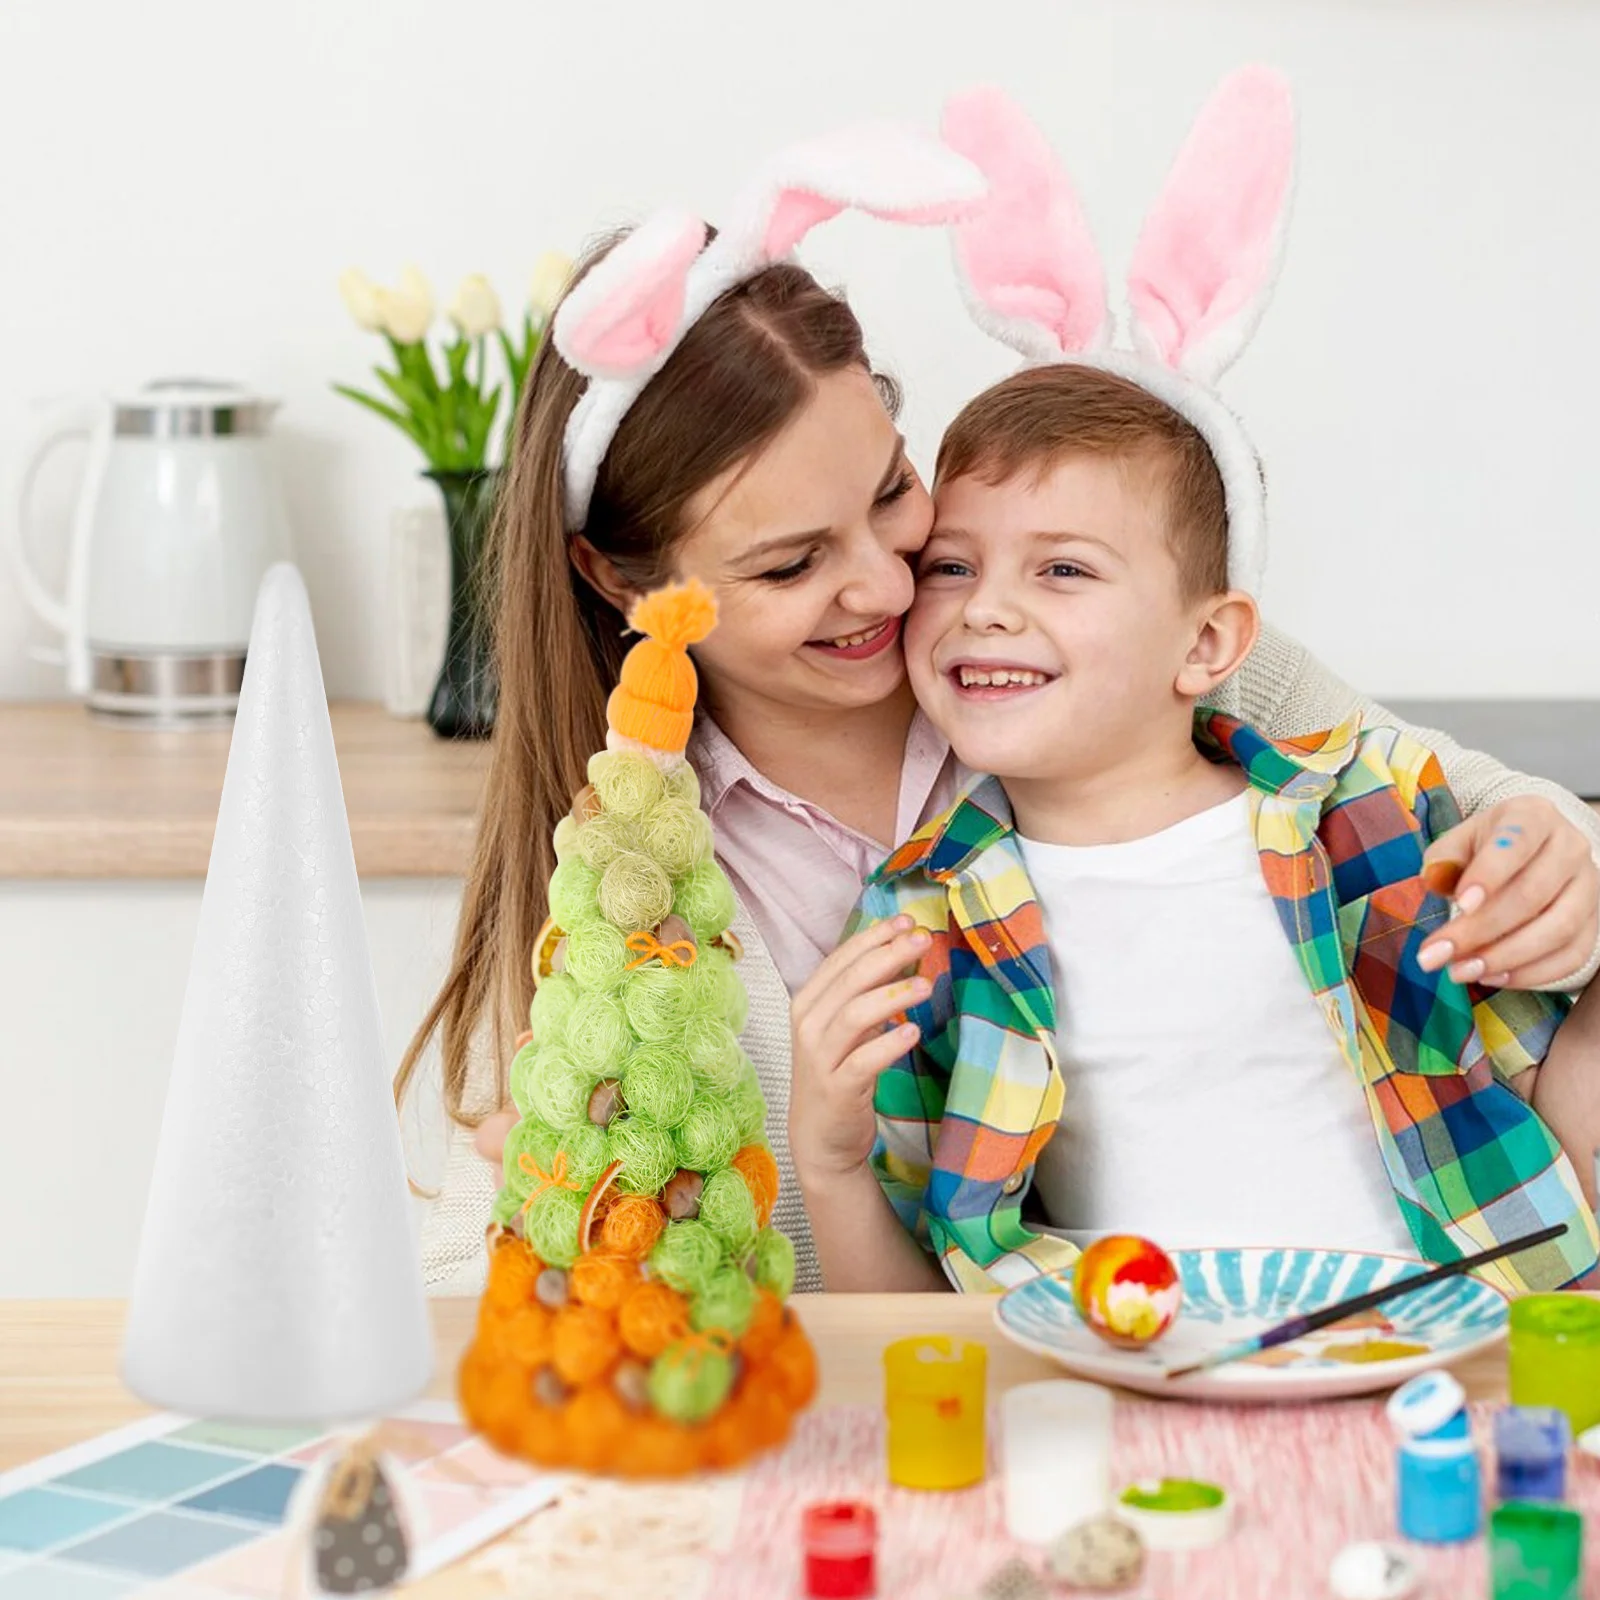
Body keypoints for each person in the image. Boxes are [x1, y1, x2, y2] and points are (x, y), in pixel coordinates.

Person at [402, 103, 1600, 1298]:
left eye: (889, 491)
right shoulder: (616, 870)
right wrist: (590, 1240)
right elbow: (463, 1279)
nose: (888, 583)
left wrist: (1554, 860)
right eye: (789, 565)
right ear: (619, 578)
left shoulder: (1107, 652)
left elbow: (1480, 804)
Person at [791, 76, 1600, 1295]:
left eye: (1062, 567)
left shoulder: (1372, 814)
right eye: (949, 565)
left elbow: (1552, 1080)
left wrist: (1577, 894)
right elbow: (915, 1323)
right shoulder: (921, 924)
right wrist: (833, 1163)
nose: (984, 605)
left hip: (1458, 1360)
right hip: (1148, 1397)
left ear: (1210, 645)